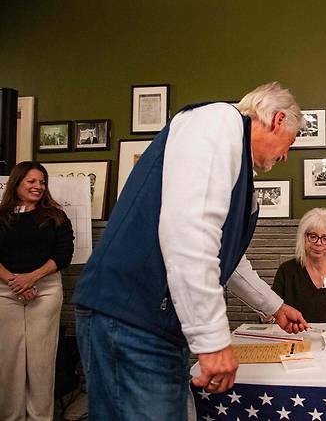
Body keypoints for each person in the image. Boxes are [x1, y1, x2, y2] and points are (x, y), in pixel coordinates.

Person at [73, 82, 309, 420]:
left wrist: (275, 307)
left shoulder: (237, 165)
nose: (285, 155)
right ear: (277, 119)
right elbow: (190, 232)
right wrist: (211, 340)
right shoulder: (217, 122)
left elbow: (225, 257)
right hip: (130, 316)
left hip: (155, 325)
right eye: (291, 142)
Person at [0, 161, 74, 420]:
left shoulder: (55, 216)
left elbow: (64, 255)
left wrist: (32, 278)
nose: (38, 186)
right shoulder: (1, 216)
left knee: (41, 361)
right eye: (31, 181)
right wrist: (15, 282)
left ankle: (40, 417)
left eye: (42, 182)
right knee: (8, 360)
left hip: (45, 290)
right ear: (17, 183)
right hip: (6, 290)